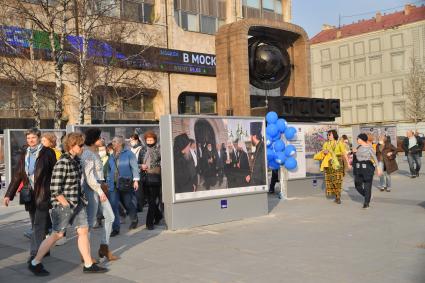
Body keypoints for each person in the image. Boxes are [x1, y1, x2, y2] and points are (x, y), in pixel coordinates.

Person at [28, 133, 107, 276]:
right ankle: (35, 262)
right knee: (56, 235)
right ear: (71, 145)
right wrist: (66, 205)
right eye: (80, 145)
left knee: (83, 231)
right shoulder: (63, 162)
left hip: (78, 203)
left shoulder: (76, 161)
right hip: (64, 205)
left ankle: (88, 264)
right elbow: (55, 189)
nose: (82, 147)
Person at [3, 128, 56, 263]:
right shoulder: (24, 153)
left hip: (43, 193)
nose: (30, 140)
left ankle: (35, 253)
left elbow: (54, 174)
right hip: (29, 194)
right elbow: (17, 176)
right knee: (36, 223)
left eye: (33, 137)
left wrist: (55, 193)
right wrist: (9, 194)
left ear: (38, 138)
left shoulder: (48, 153)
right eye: (28, 138)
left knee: (38, 225)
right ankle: (45, 249)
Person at [81, 128, 118, 260]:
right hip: (92, 189)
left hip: (98, 188)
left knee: (110, 216)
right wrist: (99, 190)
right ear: (93, 139)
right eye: (99, 137)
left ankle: (104, 248)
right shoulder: (87, 154)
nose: (102, 139)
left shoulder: (94, 152)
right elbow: (89, 177)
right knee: (90, 223)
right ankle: (86, 256)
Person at [107, 136, 140, 237]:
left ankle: (134, 219)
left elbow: (134, 167)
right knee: (113, 205)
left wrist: (136, 180)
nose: (112, 143)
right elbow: (109, 170)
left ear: (121, 143)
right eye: (112, 141)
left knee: (128, 203)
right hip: (113, 184)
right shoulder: (111, 156)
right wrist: (108, 181)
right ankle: (115, 228)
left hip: (125, 183)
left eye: (115, 141)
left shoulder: (129, 154)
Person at [316, 130, 351, 204]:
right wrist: (324, 152)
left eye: (330, 135)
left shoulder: (340, 143)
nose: (328, 136)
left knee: (338, 180)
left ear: (334, 135)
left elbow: (344, 154)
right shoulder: (326, 143)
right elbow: (323, 152)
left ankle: (338, 196)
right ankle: (336, 194)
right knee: (331, 180)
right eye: (328, 135)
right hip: (329, 162)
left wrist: (348, 163)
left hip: (338, 162)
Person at [138, 131, 163, 230]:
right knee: (149, 200)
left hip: (155, 176)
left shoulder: (158, 149)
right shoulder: (142, 149)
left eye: (151, 140)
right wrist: (141, 166)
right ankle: (158, 216)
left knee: (152, 201)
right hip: (144, 177)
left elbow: (161, 161)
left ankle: (149, 223)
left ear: (155, 140)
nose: (149, 141)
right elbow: (138, 162)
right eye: (148, 140)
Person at [353, 133, 382, 209]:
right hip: (359, 168)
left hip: (367, 168)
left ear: (362, 139)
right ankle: (367, 195)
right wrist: (354, 152)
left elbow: (374, 158)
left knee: (367, 186)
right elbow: (356, 157)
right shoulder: (358, 147)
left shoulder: (370, 148)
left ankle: (366, 203)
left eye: (358, 138)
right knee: (357, 185)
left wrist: (378, 168)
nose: (357, 140)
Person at [246, 122, 266, 186]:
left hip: (259, 184)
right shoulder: (258, 147)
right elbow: (256, 168)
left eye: (251, 136)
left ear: (254, 136)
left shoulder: (262, 148)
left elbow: (263, 169)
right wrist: (250, 176)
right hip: (255, 182)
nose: (250, 138)